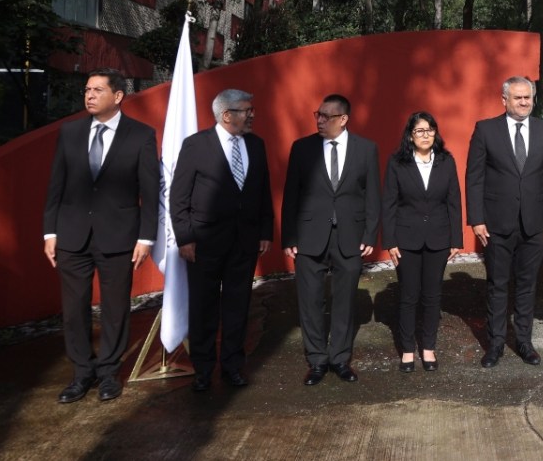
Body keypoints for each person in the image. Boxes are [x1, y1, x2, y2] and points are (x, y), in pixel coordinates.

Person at [42, 68, 159, 403]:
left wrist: (146, 237)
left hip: (119, 237)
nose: (89, 95)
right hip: (72, 236)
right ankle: (81, 373)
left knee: (115, 308)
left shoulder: (141, 135)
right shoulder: (70, 132)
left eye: (97, 90)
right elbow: (56, 186)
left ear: (118, 96)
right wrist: (50, 232)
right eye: (86, 89)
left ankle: (109, 372)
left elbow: (149, 192)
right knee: (74, 308)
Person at [171, 89, 273, 392]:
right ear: (227, 115)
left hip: (244, 241)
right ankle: (203, 369)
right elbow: (179, 197)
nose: (252, 114)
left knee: (237, 306)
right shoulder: (196, 145)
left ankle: (232, 366)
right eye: (246, 110)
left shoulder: (256, 145)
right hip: (204, 243)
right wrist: (185, 238)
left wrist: (265, 231)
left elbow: (263, 190)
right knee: (203, 308)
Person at [282, 94, 380, 385]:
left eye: (326, 116)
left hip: (350, 237)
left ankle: (339, 359)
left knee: (345, 301)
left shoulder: (366, 149)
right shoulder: (302, 148)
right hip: (309, 237)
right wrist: (289, 236)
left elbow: (372, 193)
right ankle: (316, 361)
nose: (319, 120)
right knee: (309, 300)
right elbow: (291, 196)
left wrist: (370, 233)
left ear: (344, 119)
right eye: (318, 115)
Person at [466, 76, 543, 368]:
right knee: (497, 284)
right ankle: (495, 345)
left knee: (527, 284)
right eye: (518, 98)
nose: (523, 102)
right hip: (496, 224)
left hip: (534, 224)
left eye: (527, 98)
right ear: (504, 99)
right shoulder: (486, 130)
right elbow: (475, 177)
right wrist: (477, 219)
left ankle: (524, 341)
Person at [382, 112, 463, 373]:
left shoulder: (446, 161)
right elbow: (389, 203)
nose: (426, 135)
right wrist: (390, 240)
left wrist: (455, 239)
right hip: (406, 239)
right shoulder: (397, 163)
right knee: (408, 295)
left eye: (430, 130)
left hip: (438, 238)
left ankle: (428, 347)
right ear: (410, 135)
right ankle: (407, 350)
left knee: (432, 295)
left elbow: (454, 201)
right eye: (419, 131)